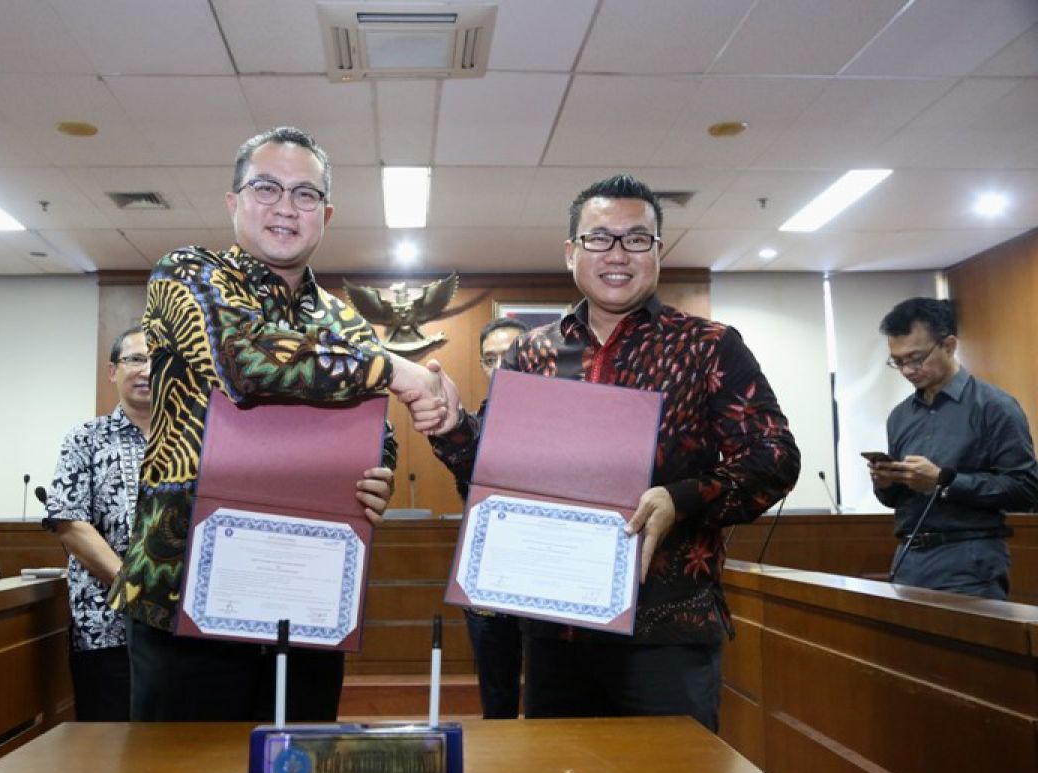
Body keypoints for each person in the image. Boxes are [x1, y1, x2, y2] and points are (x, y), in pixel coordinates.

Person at [412, 174, 800, 732]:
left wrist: (681, 498)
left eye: (636, 239)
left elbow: (775, 456)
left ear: (658, 252)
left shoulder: (708, 345)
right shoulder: (536, 353)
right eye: (599, 238)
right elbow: (499, 476)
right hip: (553, 630)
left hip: (665, 628)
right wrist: (452, 429)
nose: (617, 254)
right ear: (572, 252)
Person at [114, 126, 447, 722]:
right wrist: (393, 367)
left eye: (305, 194)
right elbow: (244, 359)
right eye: (266, 188)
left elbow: (378, 431)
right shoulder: (188, 274)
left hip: (310, 591)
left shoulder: (343, 317)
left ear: (327, 213)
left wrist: (381, 473)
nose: (285, 208)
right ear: (233, 201)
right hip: (186, 589)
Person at [871, 297, 1038, 600]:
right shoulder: (900, 416)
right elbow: (897, 499)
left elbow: (1025, 489)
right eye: (898, 361)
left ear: (949, 345)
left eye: (916, 358)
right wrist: (886, 483)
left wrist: (943, 481)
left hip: (970, 560)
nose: (908, 370)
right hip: (908, 557)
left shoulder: (995, 407)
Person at [45, 327, 151, 720]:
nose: (147, 370)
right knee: (108, 753)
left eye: (158, 360)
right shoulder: (85, 438)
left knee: (178, 748)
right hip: (105, 626)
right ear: (113, 371)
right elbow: (70, 523)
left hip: (181, 636)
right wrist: (135, 593)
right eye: (135, 359)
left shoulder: (195, 440)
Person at [451, 318, 528, 719]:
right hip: (488, 582)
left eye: (509, 356)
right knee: (496, 698)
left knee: (549, 698)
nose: (499, 366)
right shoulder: (470, 426)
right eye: (489, 359)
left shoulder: (559, 421)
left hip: (543, 578)